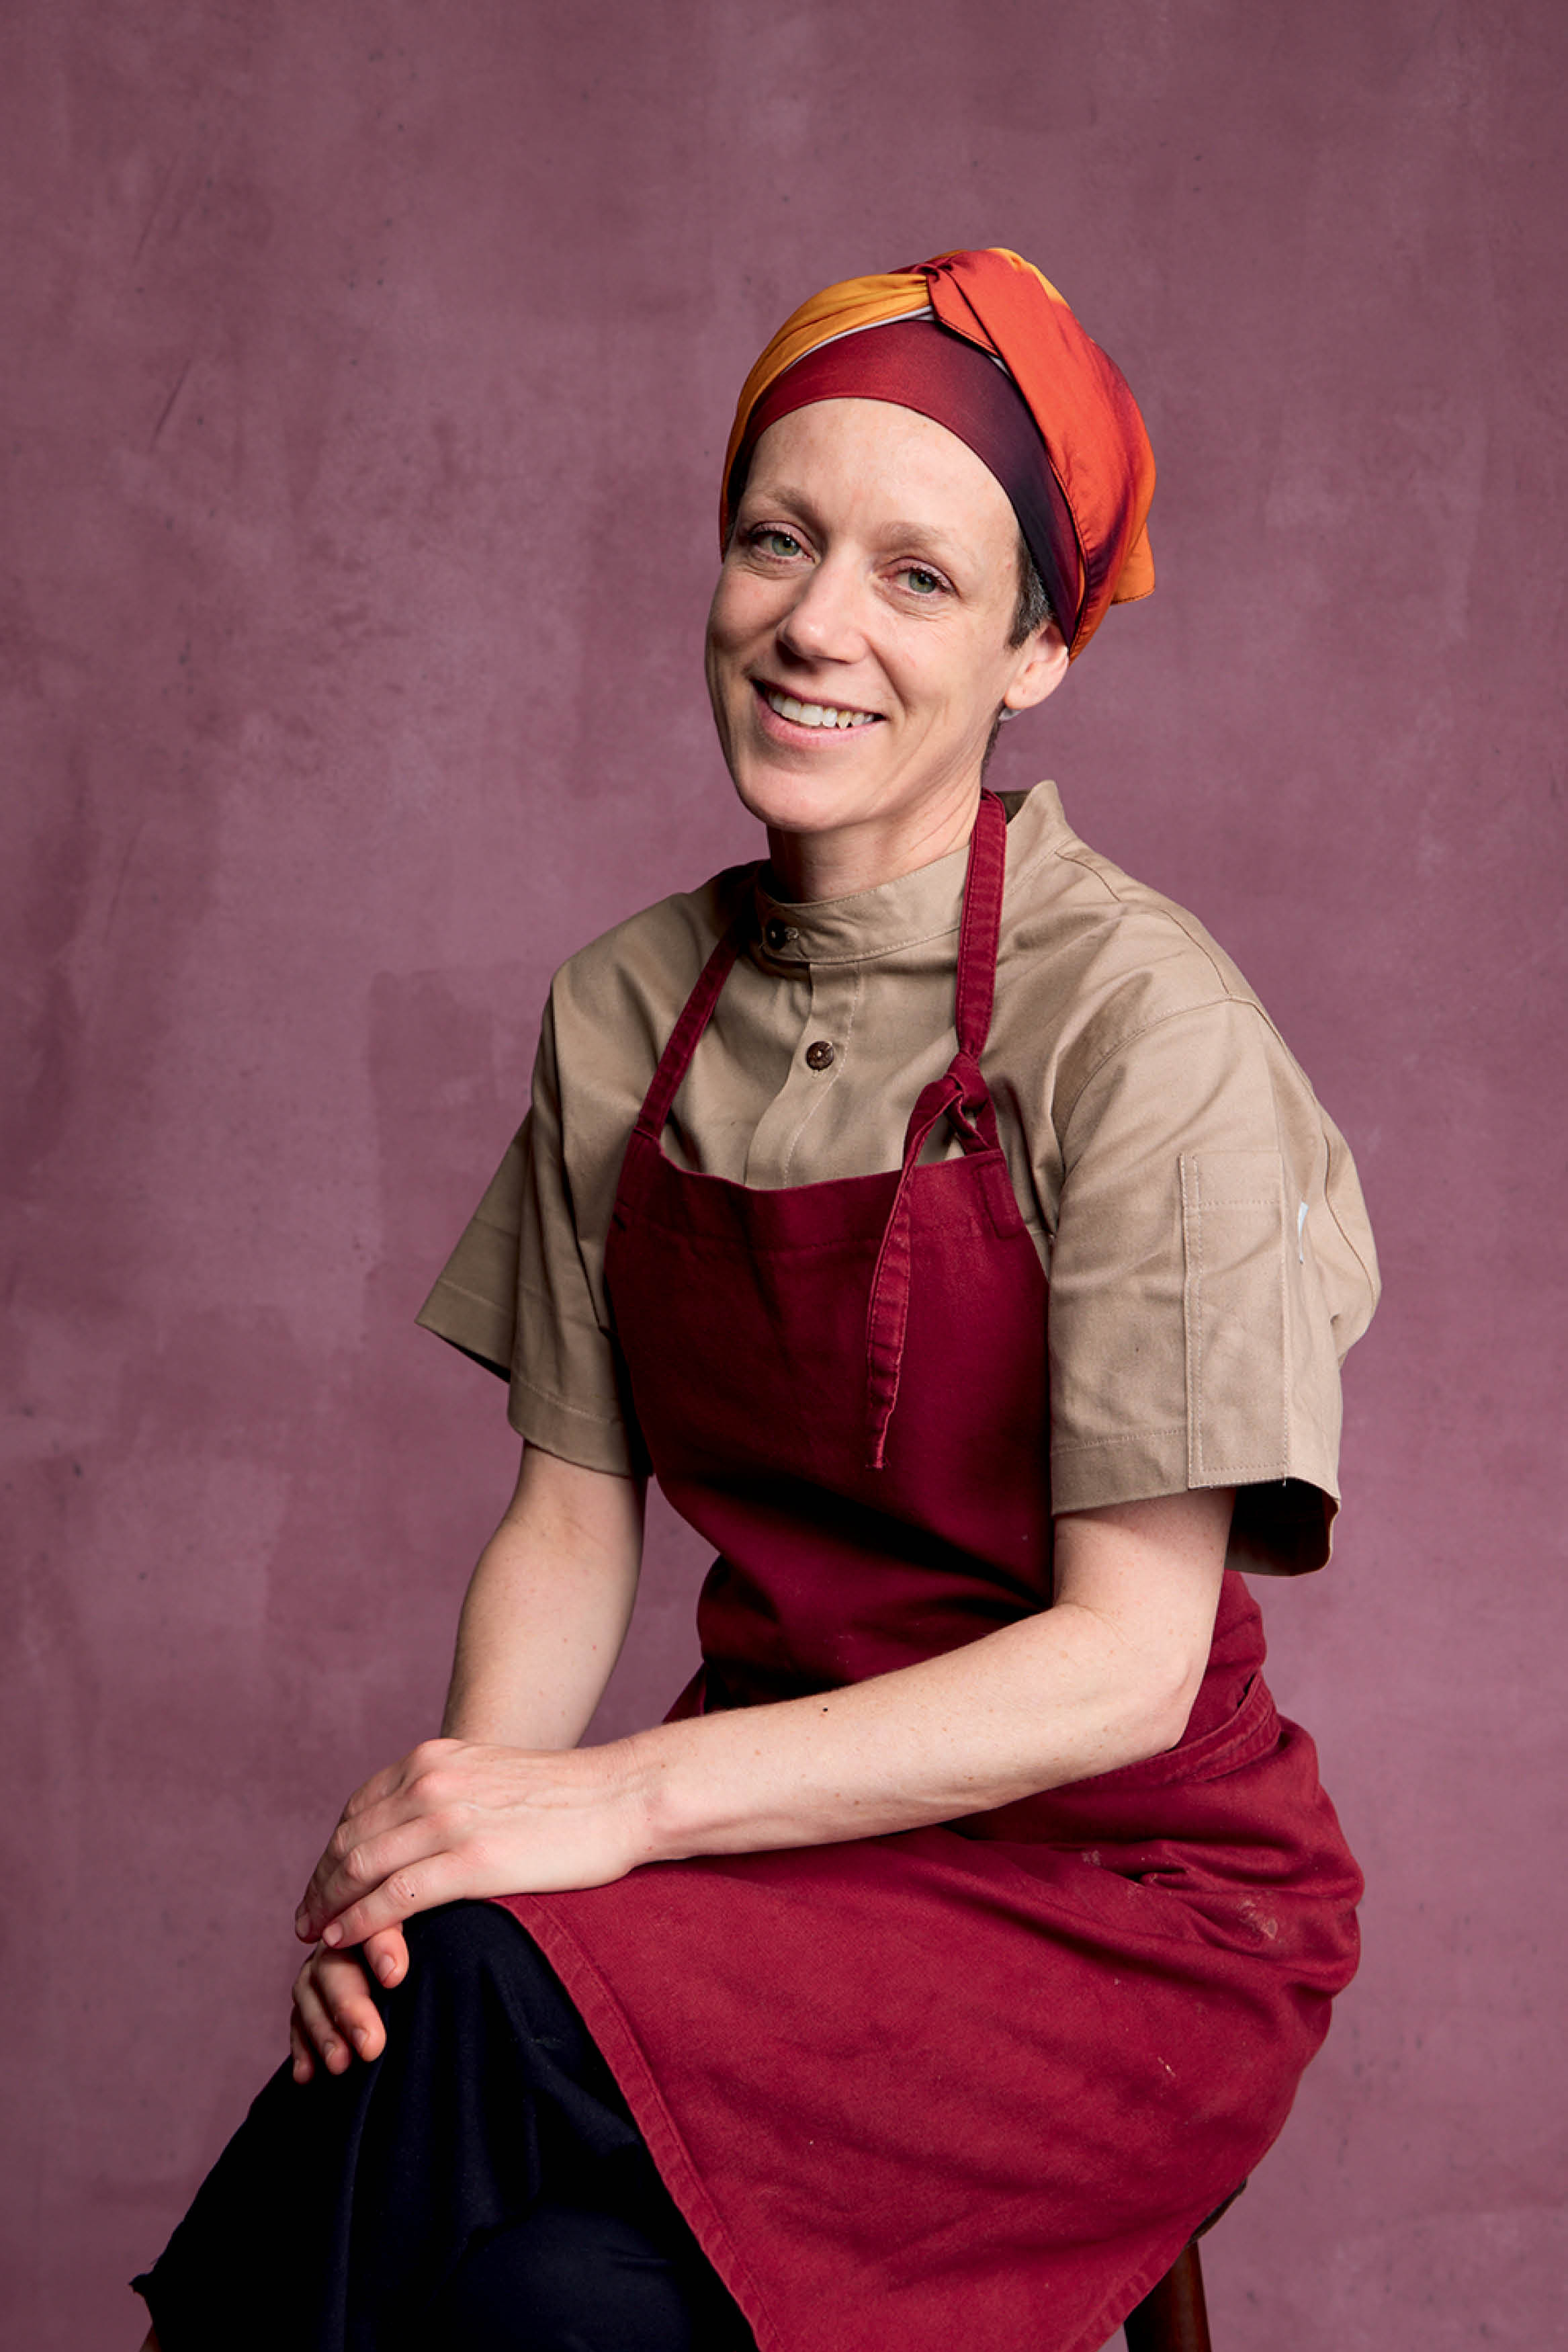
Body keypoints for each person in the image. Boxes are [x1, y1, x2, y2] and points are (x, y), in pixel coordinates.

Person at [134, 247, 1379, 2352]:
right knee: (541, 2294)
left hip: (1131, 1905)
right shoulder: (623, 1008)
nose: (817, 622)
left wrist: (593, 1813)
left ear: (1038, 649)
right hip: (791, 1870)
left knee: (493, 2005)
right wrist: (441, 1845)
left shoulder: (1144, 1026)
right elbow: (564, 1515)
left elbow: (1123, 1667)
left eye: (918, 577)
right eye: (777, 541)